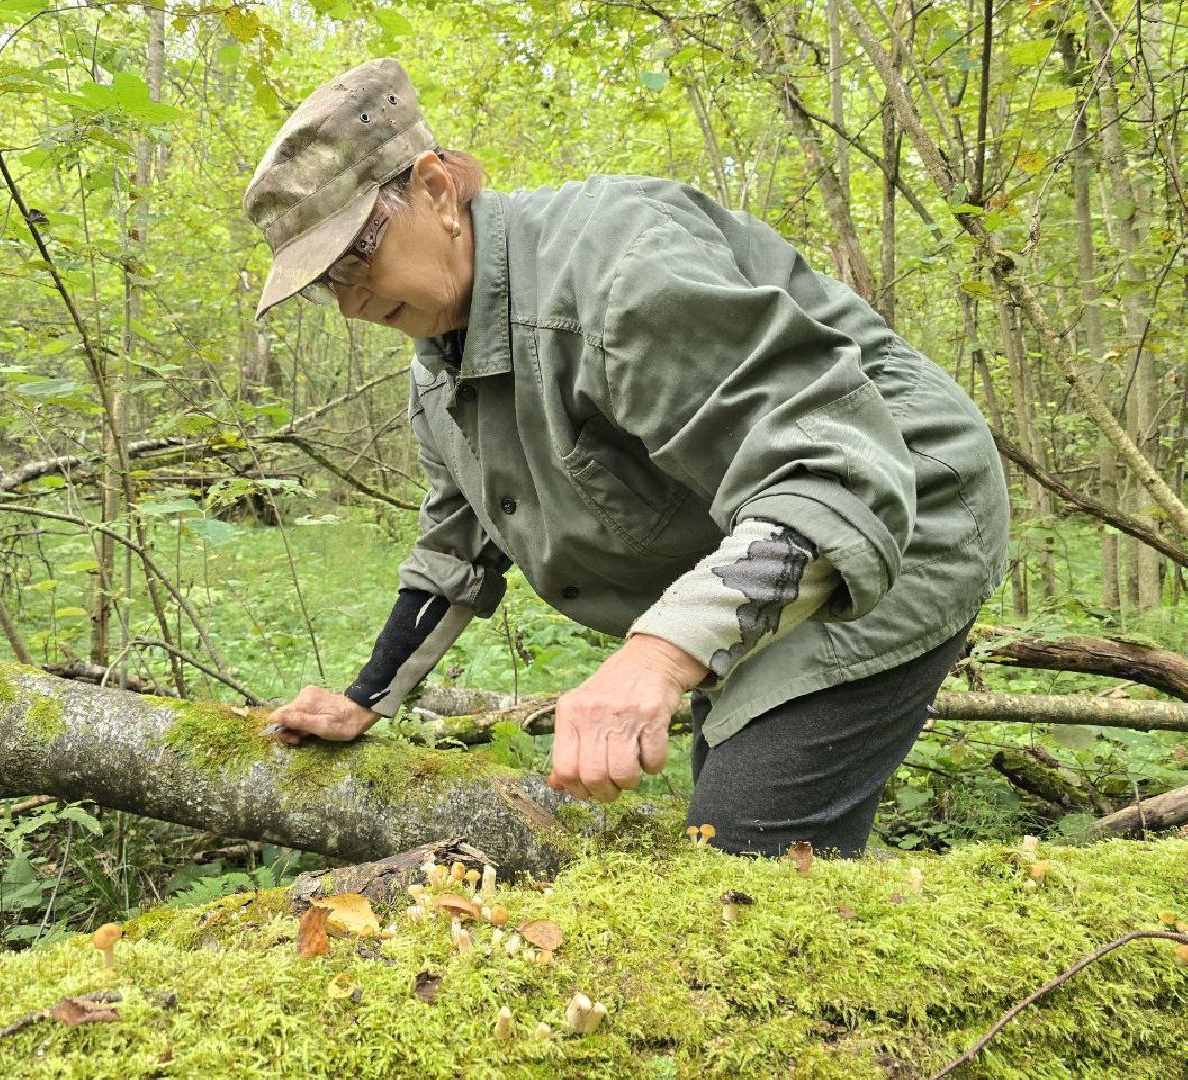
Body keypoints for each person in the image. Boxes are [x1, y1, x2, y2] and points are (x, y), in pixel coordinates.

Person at [243, 58, 1009, 857]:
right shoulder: (441, 363)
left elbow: (833, 473)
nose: (353, 301)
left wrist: (654, 660)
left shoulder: (620, 270)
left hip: (902, 505)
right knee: (744, 805)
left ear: (435, 189)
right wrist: (368, 696)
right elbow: (459, 542)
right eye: (325, 283)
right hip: (765, 533)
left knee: (746, 842)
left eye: (357, 255)